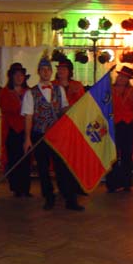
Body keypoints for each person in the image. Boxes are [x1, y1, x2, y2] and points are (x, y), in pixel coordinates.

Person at [22, 55, 84, 211]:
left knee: (63, 167)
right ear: (38, 72)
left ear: (51, 72)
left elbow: (63, 109)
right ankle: (49, 198)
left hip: (57, 135)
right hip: (39, 134)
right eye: (43, 70)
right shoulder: (31, 93)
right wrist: (27, 138)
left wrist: (75, 108)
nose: (46, 72)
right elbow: (28, 117)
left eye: (48, 70)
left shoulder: (59, 89)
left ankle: (70, 199)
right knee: (43, 169)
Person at [106, 65, 133, 193]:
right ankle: (113, 184)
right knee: (113, 155)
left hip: (127, 125)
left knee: (127, 154)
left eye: (125, 77)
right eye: (120, 76)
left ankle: (126, 183)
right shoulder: (110, 89)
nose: (121, 78)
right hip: (114, 124)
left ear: (128, 79)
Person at [0, 62, 31, 198]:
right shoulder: (5, 92)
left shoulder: (28, 91)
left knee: (26, 159)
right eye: (16, 75)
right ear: (12, 77)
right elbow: (7, 108)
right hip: (12, 131)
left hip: (26, 130)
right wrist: (23, 108)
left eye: (21, 75)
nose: (19, 77)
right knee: (14, 159)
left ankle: (26, 188)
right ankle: (17, 188)